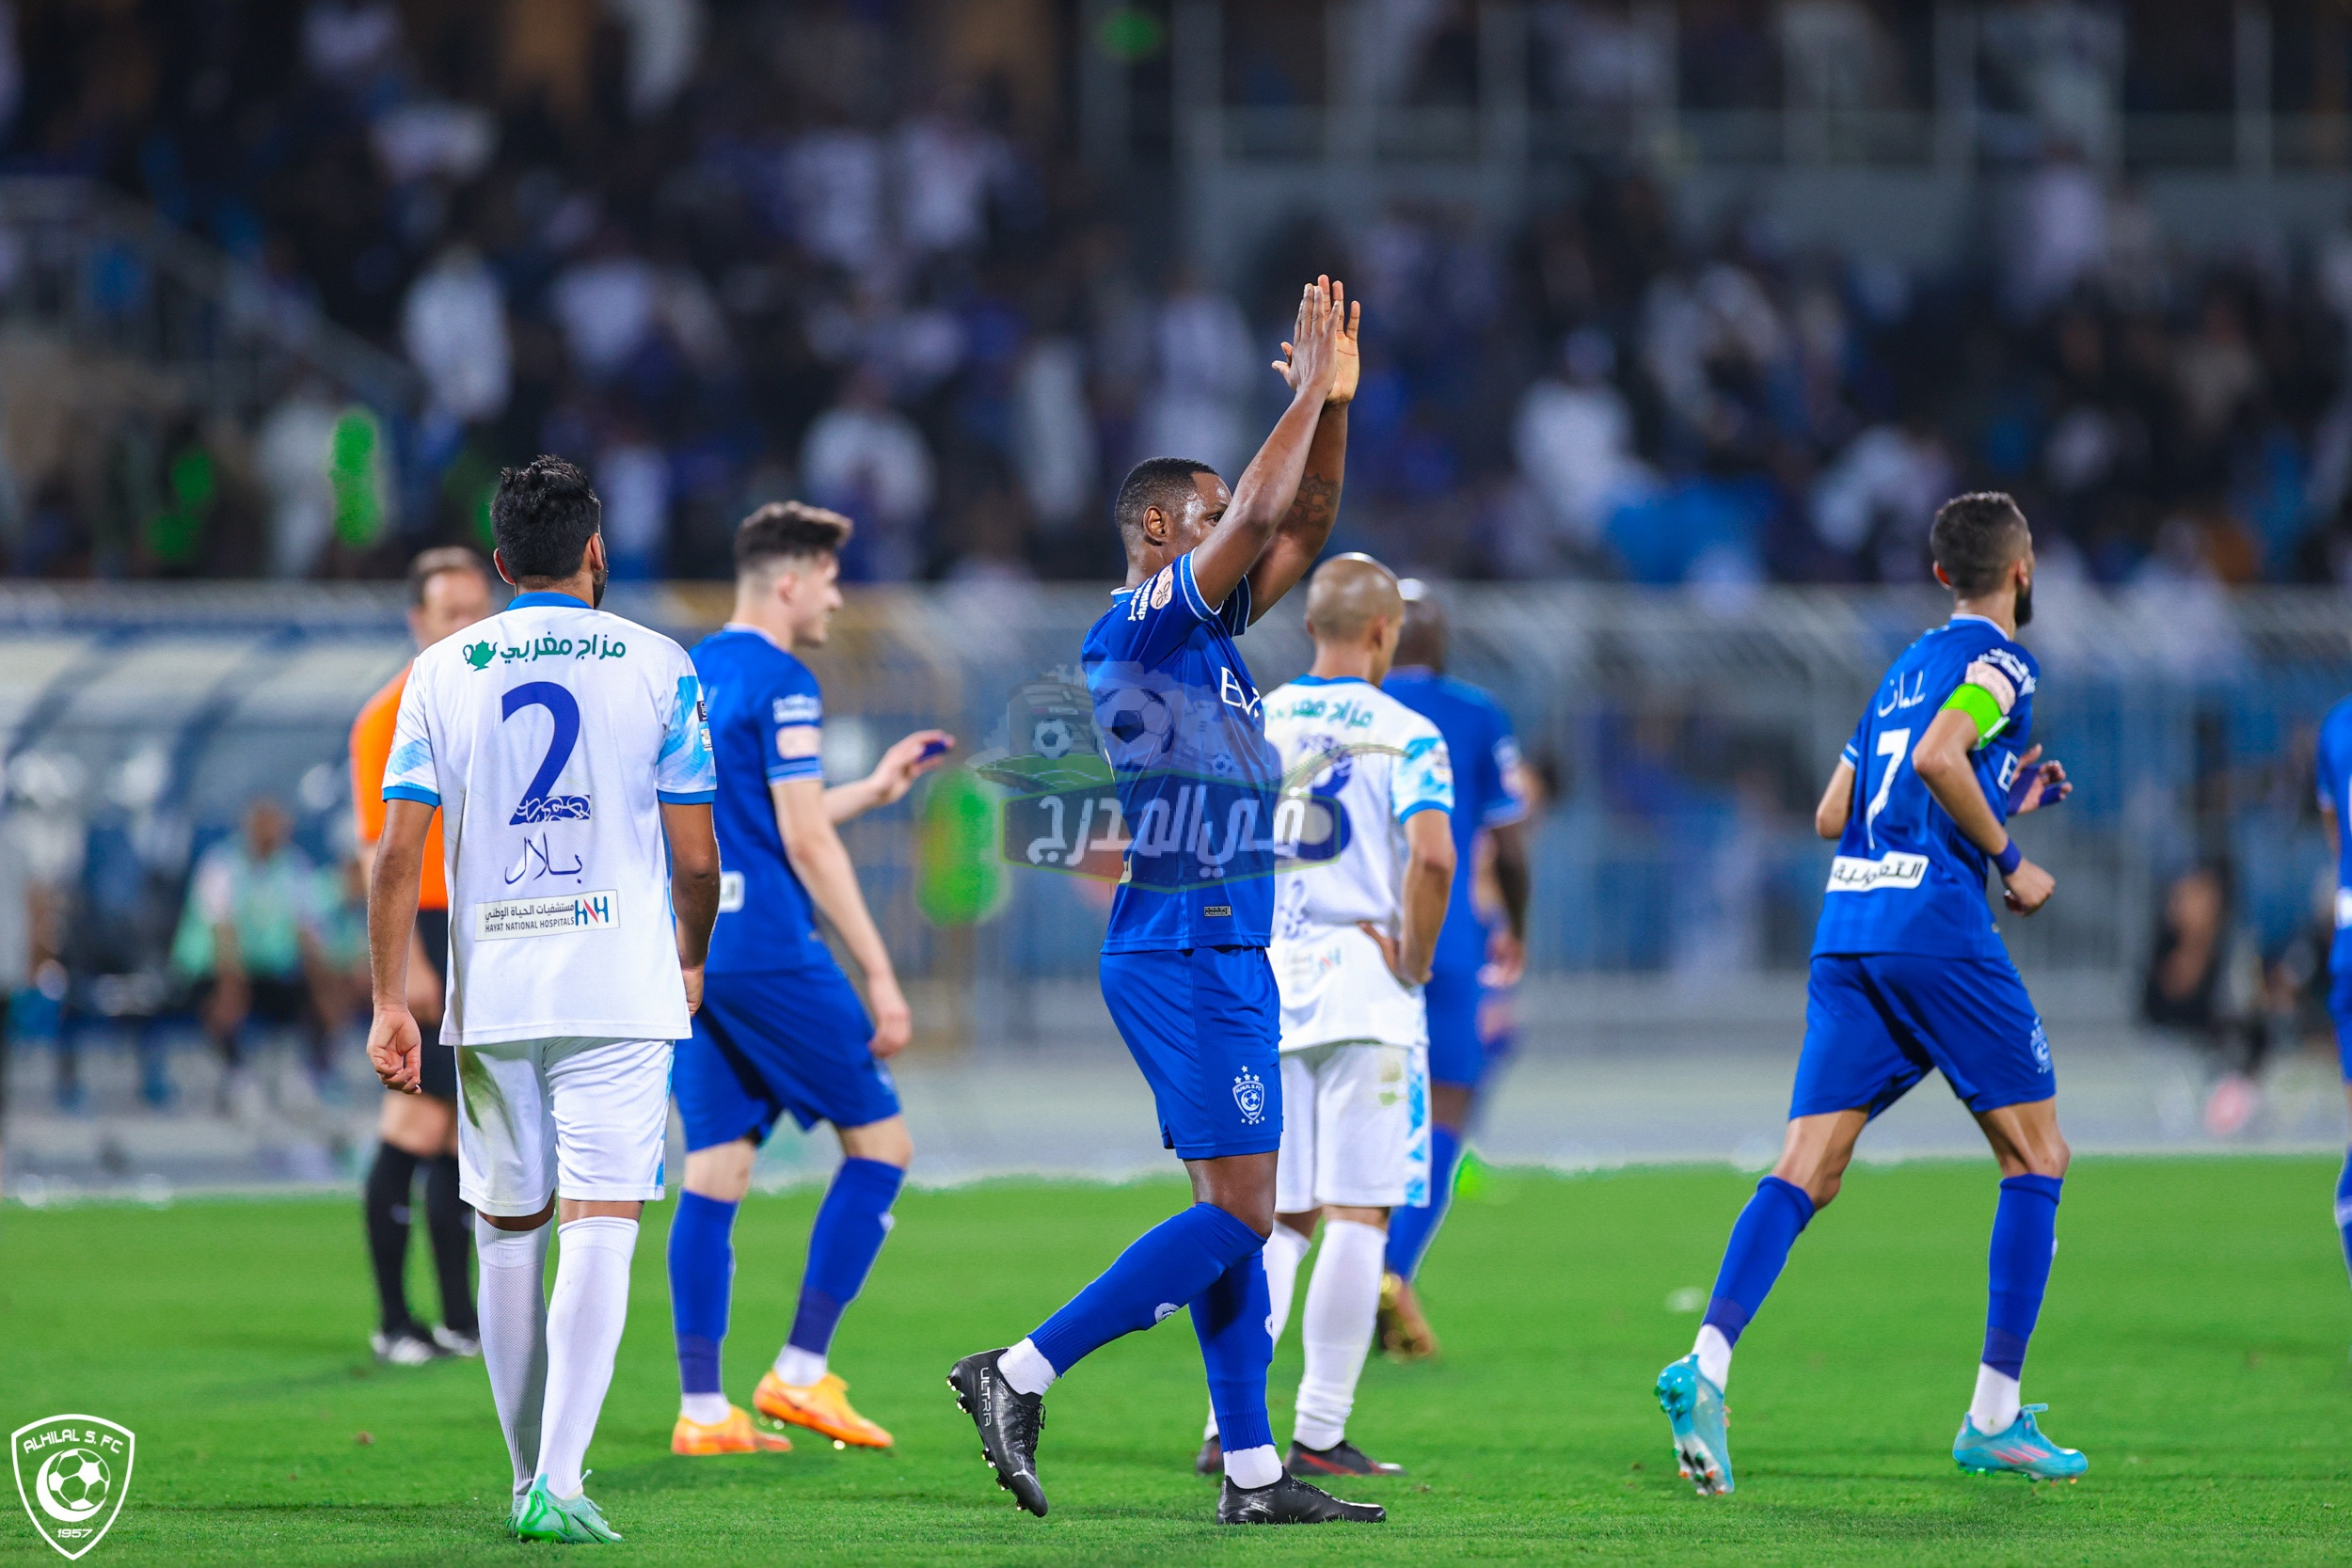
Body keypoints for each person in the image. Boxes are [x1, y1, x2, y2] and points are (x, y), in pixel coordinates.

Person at [947, 277, 1385, 1527]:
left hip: (1216, 934)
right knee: (1248, 1207)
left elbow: (1301, 512)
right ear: (1158, 523)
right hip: (1190, 938)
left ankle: (1252, 1473)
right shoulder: (1139, 625)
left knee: (1231, 1213)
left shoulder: (1210, 636)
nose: (1233, 534)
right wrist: (1300, 392)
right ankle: (1017, 1370)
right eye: (1203, 520)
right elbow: (1259, 506)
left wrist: (1334, 405)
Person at [1655, 491, 2083, 1495]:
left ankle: (1705, 1362)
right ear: (2021, 571)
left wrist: (1994, 788)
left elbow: (1834, 809)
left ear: (1941, 575)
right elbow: (1939, 757)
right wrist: (2010, 853)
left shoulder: (1901, 668)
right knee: (2037, 1152)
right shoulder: (2001, 665)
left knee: (1808, 1164)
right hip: (1932, 931)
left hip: (1847, 928)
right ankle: (1993, 1416)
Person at [366, 456, 721, 1544]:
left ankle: (527, 1469)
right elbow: (697, 858)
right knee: (602, 1225)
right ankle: (558, 1479)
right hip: (619, 984)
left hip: (495, 986)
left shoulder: (441, 670)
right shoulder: (663, 664)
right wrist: (690, 954)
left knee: (510, 1233)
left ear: (502, 563)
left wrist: (390, 998)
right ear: (598, 551)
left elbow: (395, 858)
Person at [666, 501, 953, 1458]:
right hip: (773, 949)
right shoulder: (786, 681)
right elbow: (799, 838)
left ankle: (703, 1411)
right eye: (829, 575)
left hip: (694, 946)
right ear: (788, 580)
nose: (838, 592)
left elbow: (741, 816)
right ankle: (798, 1373)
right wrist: (880, 973)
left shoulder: (688, 674)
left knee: (716, 1165)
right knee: (881, 1143)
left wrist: (869, 790)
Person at [1196, 553, 1454, 1481]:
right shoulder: (1406, 730)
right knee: (1357, 1212)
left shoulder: (1254, 718)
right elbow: (1432, 858)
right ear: (1384, 633)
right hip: (1361, 977)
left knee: (1275, 1218)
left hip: (1266, 973)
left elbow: (1214, 850)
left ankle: (1232, 1424)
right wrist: (1416, 956)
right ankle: (1315, 1427)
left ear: (1311, 626)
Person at [1374, 585, 1531, 1360]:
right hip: (1451, 939)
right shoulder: (1474, 711)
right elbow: (1512, 836)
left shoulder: (1352, 708)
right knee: (1448, 1107)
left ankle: (1349, 1275)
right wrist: (1518, 928)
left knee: (1354, 1115)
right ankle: (1391, 1272)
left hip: (1360, 938)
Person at [350, 546, 497, 1366]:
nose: (468, 626)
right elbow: (380, 853)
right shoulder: (390, 715)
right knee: (416, 1119)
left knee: (454, 1134)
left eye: (479, 609)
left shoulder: (490, 704)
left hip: (482, 926)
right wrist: (408, 963)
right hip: (429, 930)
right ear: (419, 623)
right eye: (451, 613)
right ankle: (395, 1319)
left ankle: (457, 1319)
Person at [172, 797, 336, 1101]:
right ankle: (237, 1076)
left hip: (266, 970)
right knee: (223, 1000)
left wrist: (323, 981)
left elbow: (306, 930)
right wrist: (232, 987)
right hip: (213, 968)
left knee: (321, 996)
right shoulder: (221, 865)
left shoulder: (293, 866)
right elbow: (223, 931)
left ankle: (308, 1075)